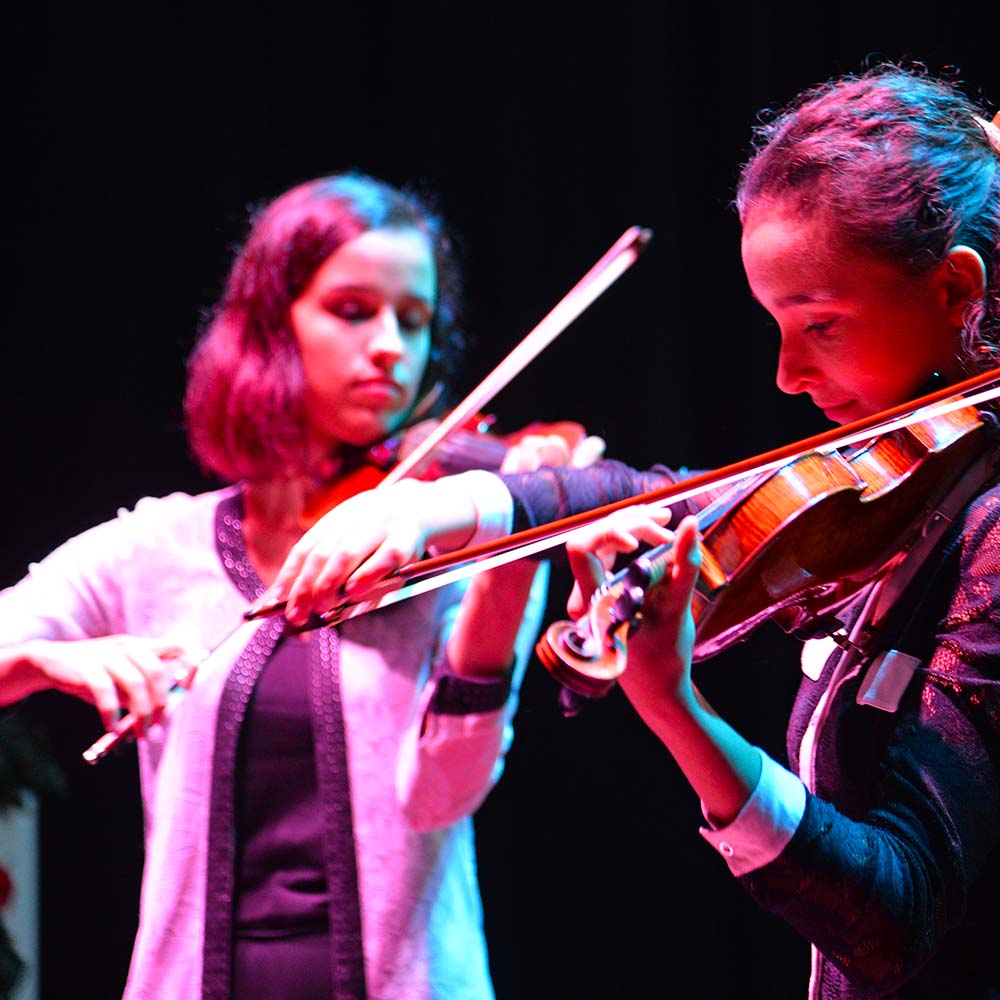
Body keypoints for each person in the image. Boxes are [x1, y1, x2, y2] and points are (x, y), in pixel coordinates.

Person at [260, 67, 1000, 998]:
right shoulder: (913, 485)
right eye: (775, 324)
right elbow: (646, 496)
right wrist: (418, 510)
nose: (785, 373)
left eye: (821, 324)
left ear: (955, 291)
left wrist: (675, 711)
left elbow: (894, 919)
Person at [0, 172, 602, 999]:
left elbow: (442, 795)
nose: (392, 345)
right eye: (354, 311)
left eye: (414, 320)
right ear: (272, 330)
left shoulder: (448, 539)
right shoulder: (158, 546)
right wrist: (48, 662)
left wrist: (513, 547)